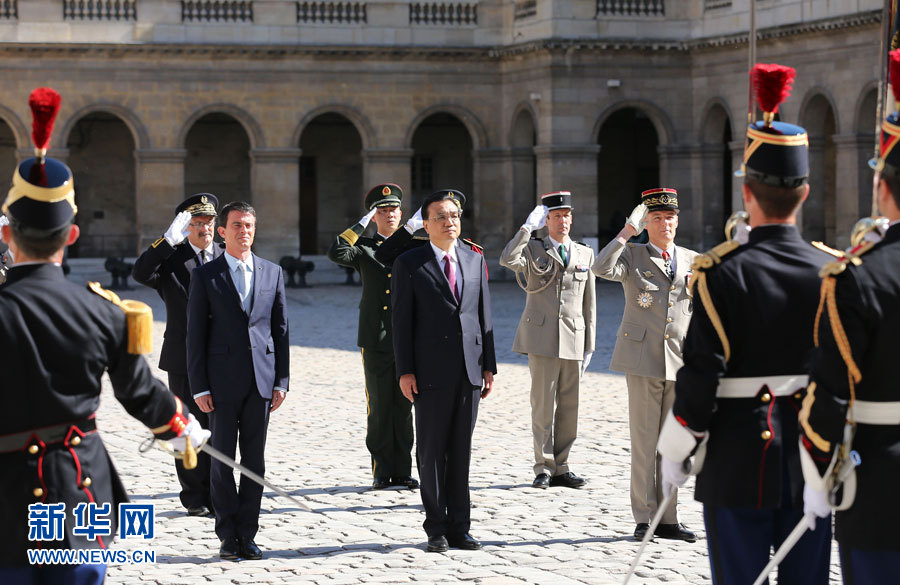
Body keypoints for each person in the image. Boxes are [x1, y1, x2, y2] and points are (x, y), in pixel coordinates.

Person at [0, 87, 206, 585]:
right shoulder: (106, 312)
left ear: (7, 235)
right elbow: (140, 393)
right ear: (71, 236)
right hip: (78, 489)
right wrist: (180, 431)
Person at [658, 64, 832, 584]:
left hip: (737, 460)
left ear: (747, 193)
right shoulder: (834, 273)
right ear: (803, 194)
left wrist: (675, 446)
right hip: (811, 456)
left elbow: (700, 372)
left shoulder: (718, 272)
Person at [800, 49, 900, 584]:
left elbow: (830, 393)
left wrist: (816, 469)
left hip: (882, 478)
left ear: (883, 190)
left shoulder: (856, 275)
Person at [391, 189, 497, 553]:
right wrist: (405, 370)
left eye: (454, 216)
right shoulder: (409, 262)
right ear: (425, 224)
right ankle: (435, 525)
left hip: (469, 369)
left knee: (461, 450)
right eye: (441, 217)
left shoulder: (473, 259)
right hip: (429, 371)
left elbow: (484, 316)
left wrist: (489, 366)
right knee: (432, 450)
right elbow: (401, 322)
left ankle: (460, 526)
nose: (450, 222)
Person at [186, 201, 290, 561]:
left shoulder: (272, 272)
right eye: (236, 225)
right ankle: (227, 535)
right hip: (220, 385)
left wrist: (282, 380)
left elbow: (280, 330)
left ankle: (248, 533)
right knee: (222, 461)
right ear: (222, 232)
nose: (243, 231)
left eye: (248, 225)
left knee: (254, 463)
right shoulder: (205, 275)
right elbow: (195, 335)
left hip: (261, 384)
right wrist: (199, 385)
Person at [592, 187, 697, 542]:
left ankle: (669, 518)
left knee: (673, 444)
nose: (665, 224)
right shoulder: (633, 256)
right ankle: (644, 516)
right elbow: (600, 267)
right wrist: (626, 232)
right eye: (657, 218)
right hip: (642, 359)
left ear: (677, 222)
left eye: (670, 218)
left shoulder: (692, 260)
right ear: (645, 223)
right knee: (644, 442)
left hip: (680, 361)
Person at [132, 192, 223, 517]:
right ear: (186, 228)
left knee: (219, 425)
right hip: (183, 357)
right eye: (197, 223)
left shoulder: (225, 256)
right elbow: (141, 274)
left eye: (209, 223)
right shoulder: (172, 260)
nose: (205, 229)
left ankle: (217, 493)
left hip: (221, 357)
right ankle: (194, 495)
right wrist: (165, 243)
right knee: (187, 423)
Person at [499, 191, 596, 489]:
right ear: (547, 220)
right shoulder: (532, 249)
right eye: (556, 216)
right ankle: (543, 466)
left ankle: (562, 466)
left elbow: (588, 304)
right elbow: (507, 259)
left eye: (566, 215)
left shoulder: (584, 253)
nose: (562, 221)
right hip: (541, 337)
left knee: (570, 405)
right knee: (543, 405)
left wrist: (589, 343)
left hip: (573, 337)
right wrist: (527, 229)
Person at [327, 183, 417, 490]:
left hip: (409, 337)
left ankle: (403, 470)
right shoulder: (364, 248)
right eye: (382, 211)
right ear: (373, 216)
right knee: (379, 406)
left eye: (393, 210)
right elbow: (337, 251)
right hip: (376, 335)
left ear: (401, 214)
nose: (389, 214)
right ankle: (382, 470)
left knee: (405, 406)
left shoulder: (412, 247)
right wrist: (360, 224)